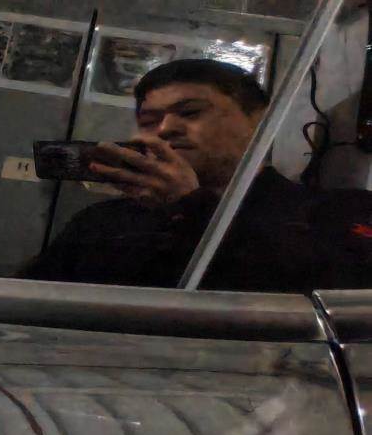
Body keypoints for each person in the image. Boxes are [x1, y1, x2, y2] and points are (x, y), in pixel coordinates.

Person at [23, 57, 372, 291]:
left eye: (190, 112)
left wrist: (190, 206)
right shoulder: (101, 222)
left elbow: (327, 300)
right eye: (149, 121)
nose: (165, 129)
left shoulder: (334, 213)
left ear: (262, 122)